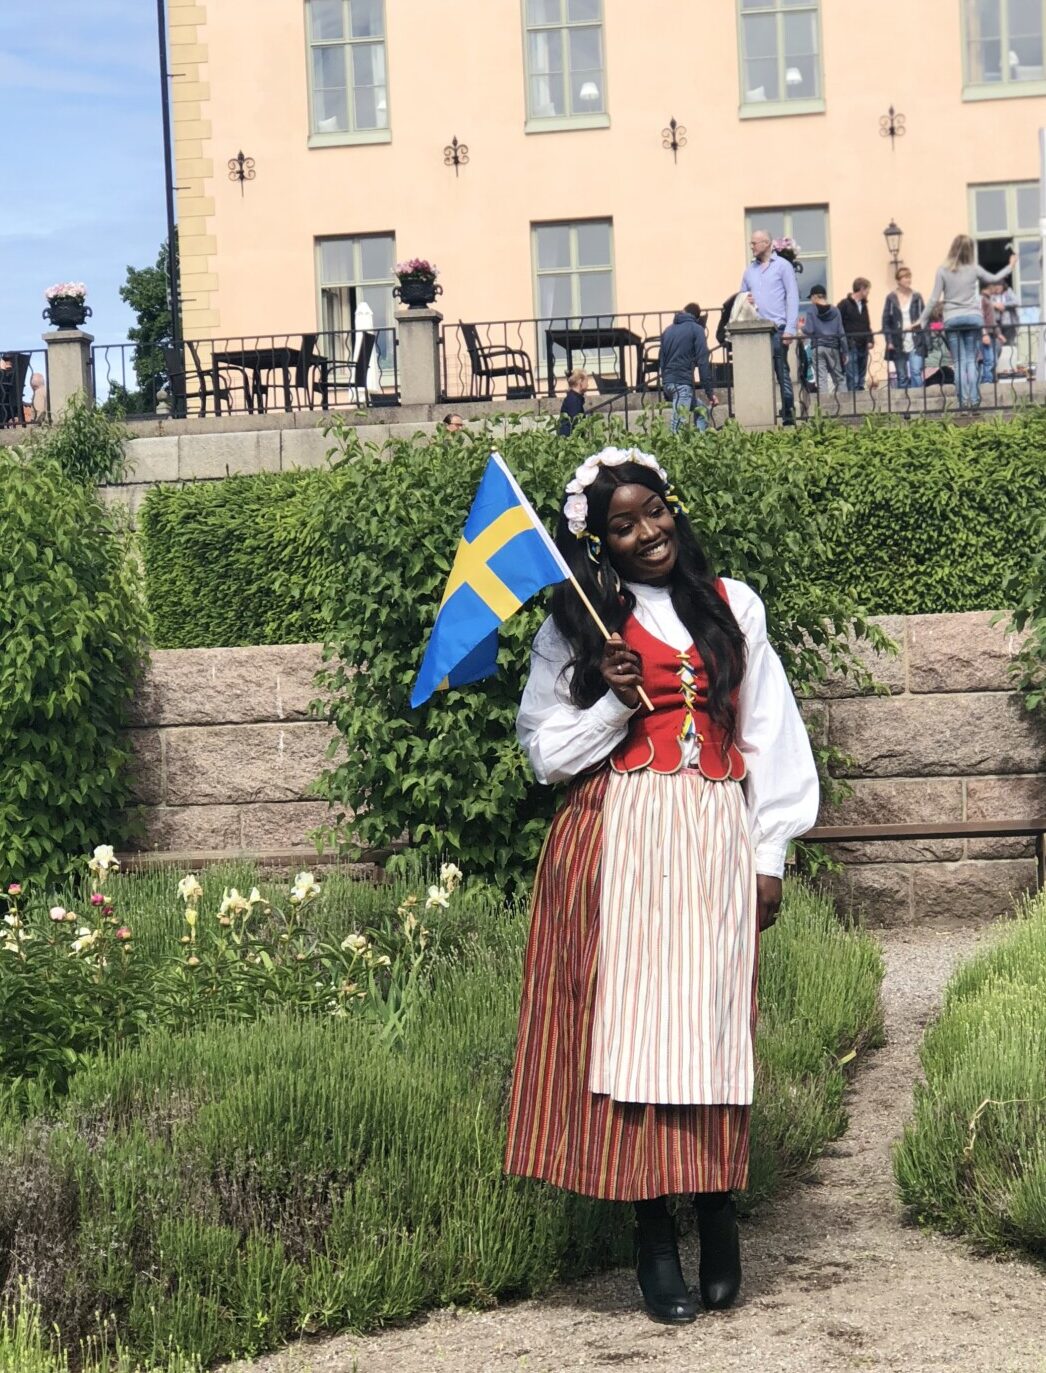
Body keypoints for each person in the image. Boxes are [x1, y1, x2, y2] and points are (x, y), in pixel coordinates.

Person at [505, 446, 819, 1324]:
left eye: (655, 510)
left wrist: (769, 854)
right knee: (638, 1032)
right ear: (599, 542)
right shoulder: (578, 626)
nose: (648, 532)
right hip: (622, 838)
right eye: (623, 525)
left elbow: (769, 731)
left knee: (710, 1023)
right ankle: (653, 1236)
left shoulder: (732, 606)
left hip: (714, 833)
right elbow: (542, 754)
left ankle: (717, 1212)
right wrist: (610, 701)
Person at [917, 235, 1015, 410]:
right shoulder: (974, 269)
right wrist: (1010, 266)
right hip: (972, 317)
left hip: (952, 318)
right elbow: (994, 278)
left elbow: (933, 299)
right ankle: (974, 400)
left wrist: (921, 320)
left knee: (959, 362)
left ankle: (963, 403)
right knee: (971, 359)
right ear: (970, 250)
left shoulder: (942, 270)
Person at [740, 229, 799, 425]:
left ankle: (788, 413)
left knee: (782, 371)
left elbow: (792, 296)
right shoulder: (749, 271)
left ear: (766, 243)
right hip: (756, 330)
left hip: (778, 328)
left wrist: (790, 328)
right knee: (758, 374)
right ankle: (759, 416)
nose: (751, 246)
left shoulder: (783, 266)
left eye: (754, 243)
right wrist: (745, 299)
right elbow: (741, 297)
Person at [659, 303, 717, 433]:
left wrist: (665, 385)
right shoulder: (697, 329)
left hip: (669, 383)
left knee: (702, 411)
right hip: (682, 385)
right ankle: (675, 446)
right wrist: (710, 393)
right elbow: (702, 362)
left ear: (683, 311)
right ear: (697, 317)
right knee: (678, 427)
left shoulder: (667, 331)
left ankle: (699, 442)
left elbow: (662, 361)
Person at [882, 267, 927, 389]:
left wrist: (914, 326)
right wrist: (889, 341)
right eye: (905, 277)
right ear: (898, 280)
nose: (908, 280)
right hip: (898, 341)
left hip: (916, 339)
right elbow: (886, 322)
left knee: (916, 371)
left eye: (909, 277)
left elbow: (924, 317)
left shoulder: (916, 297)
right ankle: (904, 400)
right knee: (902, 376)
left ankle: (919, 398)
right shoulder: (891, 298)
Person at [802, 284, 848, 399]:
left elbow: (809, 330)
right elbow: (841, 333)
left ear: (815, 296)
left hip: (818, 348)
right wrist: (845, 351)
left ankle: (824, 406)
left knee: (821, 379)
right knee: (839, 378)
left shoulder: (811, 310)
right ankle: (845, 403)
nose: (811, 301)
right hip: (833, 348)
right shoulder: (836, 310)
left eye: (811, 298)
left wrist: (801, 327)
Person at [838, 279, 872, 392]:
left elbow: (867, 324)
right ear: (861, 289)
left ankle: (861, 397)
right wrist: (843, 342)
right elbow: (838, 324)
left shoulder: (864, 305)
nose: (868, 292)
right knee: (853, 376)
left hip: (863, 345)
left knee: (861, 376)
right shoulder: (844, 304)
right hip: (851, 345)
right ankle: (853, 399)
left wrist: (870, 340)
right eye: (867, 289)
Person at [558, 369, 589, 437]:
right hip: (570, 439)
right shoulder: (573, 400)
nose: (588, 385)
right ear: (580, 381)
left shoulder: (575, 398)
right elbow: (575, 422)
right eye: (586, 381)